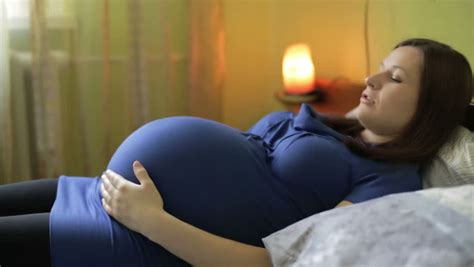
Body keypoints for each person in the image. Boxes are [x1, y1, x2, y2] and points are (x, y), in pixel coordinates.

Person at [0, 38, 472, 267]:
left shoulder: (390, 184)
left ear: (431, 104)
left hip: (137, 237)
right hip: (104, 195)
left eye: (395, 78)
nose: (371, 80)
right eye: (381, 68)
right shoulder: (341, 131)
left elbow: (275, 263)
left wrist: (150, 221)